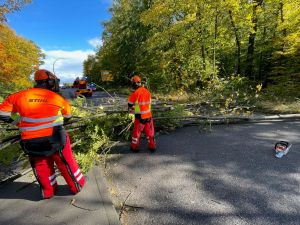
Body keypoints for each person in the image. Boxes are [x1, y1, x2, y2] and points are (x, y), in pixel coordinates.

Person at [0, 69, 85, 199]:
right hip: (56, 139)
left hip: (31, 141)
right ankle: (76, 185)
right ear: (50, 82)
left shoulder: (18, 96)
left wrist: (18, 123)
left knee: (41, 166)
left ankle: (48, 191)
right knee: (66, 162)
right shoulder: (56, 97)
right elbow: (68, 116)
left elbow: (2, 114)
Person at [128, 75, 156, 152]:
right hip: (148, 116)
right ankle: (152, 147)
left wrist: (133, 108)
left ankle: (134, 148)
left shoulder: (135, 93)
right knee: (150, 133)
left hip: (140, 117)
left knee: (136, 134)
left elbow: (130, 104)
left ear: (134, 84)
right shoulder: (147, 91)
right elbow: (147, 104)